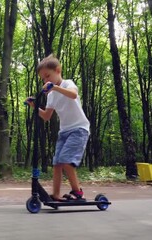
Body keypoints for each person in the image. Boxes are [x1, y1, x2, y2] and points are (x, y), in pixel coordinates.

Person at [26, 54, 90, 202]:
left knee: (66, 161)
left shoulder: (68, 84)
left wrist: (55, 87)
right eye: (43, 78)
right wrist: (34, 106)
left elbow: (73, 95)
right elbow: (47, 116)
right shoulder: (51, 95)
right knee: (57, 163)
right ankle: (56, 194)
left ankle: (78, 192)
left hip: (79, 129)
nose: (45, 80)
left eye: (48, 76)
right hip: (64, 131)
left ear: (58, 70)